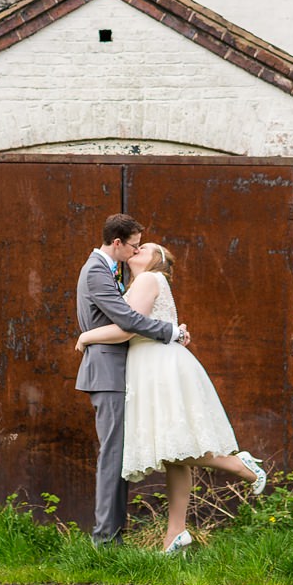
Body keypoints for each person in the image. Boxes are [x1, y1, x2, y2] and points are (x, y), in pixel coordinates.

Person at [76, 241, 269, 553]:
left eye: (147, 248)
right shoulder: (144, 282)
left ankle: (238, 465)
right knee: (173, 451)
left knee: (173, 446)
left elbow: (126, 329)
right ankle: (176, 533)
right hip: (153, 362)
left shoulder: (149, 279)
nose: (138, 249)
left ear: (158, 260)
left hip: (158, 366)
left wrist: (86, 336)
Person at [75, 213, 185, 546]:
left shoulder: (110, 270)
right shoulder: (96, 271)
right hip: (106, 373)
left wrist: (89, 336)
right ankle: (105, 540)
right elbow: (125, 319)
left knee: (119, 454)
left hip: (117, 371)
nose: (136, 251)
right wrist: (170, 331)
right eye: (134, 246)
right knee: (113, 454)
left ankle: (112, 536)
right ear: (118, 243)